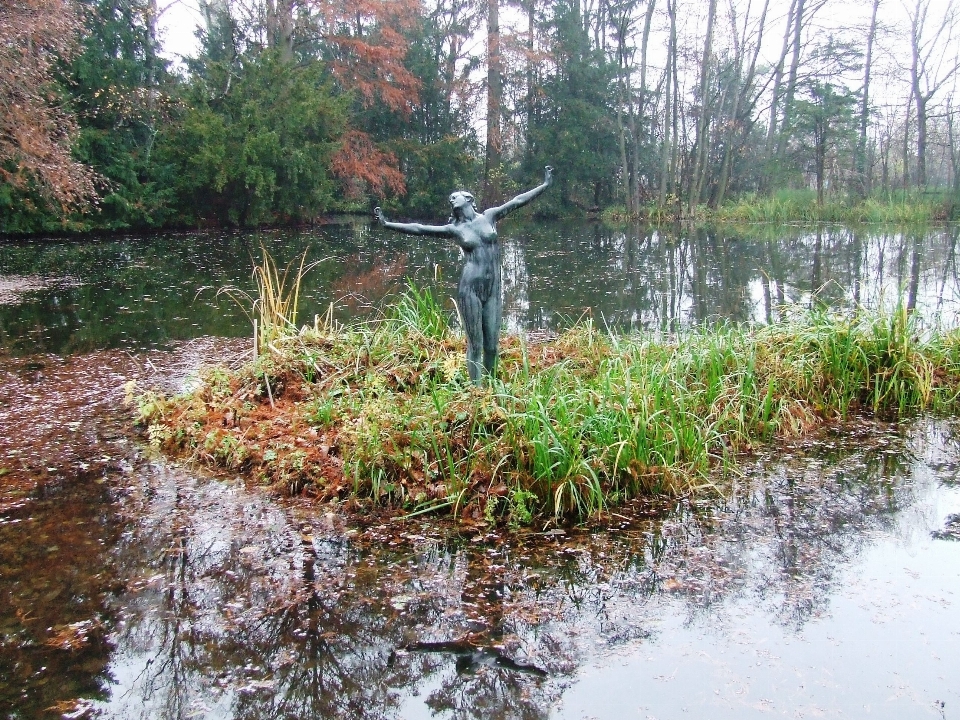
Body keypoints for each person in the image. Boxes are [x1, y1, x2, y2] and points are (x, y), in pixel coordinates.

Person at [374, 166, 554, 384]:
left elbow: (517, 201)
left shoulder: (489, 216)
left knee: (492, 346)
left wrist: (544, 185)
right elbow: (419, 228)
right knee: (475, 344)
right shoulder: (454, 229)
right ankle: (475, 392)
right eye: (450, 199)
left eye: (455, 197)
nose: (451, 200)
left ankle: (491, 388)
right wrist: (387, 224)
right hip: (470, 288)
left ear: (469, 199)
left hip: (493, 288)